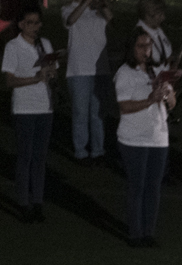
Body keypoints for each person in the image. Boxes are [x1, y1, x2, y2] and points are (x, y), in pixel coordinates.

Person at [114, 29, 175, 247]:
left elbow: (172, 103)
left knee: (153, 187)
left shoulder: (158, 71)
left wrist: (167, 93)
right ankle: (135, 233)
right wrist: (150, 99)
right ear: (131, 49)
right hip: (133, 138)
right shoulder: (124, 73)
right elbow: (124, 107)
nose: (146, 51)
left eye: (148, 46)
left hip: (158, 136)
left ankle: (148, 232)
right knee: (137, 187)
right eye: (140, 46)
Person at [3, 6, 55, 222]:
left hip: (45, 107)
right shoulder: (13, 46)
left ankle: (37, 202)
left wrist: (51, 72)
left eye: (37, 22)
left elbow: (53, 71)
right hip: (24, 108)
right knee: (25, 157)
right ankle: (24, 203)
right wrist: (36, 78)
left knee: (40, 158)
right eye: (30, 23)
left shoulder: (45, 45)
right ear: (21, 24)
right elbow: (9, 81)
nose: (35, 27)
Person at [62, 0, 112, 164]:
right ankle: (81, 151)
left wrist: (102, 5)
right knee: (80, 113)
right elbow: (70, 21)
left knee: (97, 114)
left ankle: (98, 150)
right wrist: (85, 3)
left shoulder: (99, 10)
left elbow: (112, 21)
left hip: (100, 69)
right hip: (78, 70)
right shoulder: (67, 9)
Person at [135, 0, 171, 68]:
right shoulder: (138, 36)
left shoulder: (158, 30)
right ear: (148, 15)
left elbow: (167, 53)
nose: (163, 18)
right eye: (160, 15)